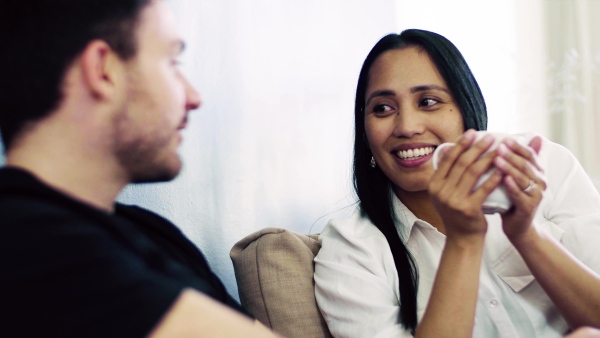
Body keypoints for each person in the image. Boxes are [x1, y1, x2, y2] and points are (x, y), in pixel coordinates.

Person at [0, 1, 279, 337]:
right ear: (104, 70)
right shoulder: (27, 244)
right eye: (172, 62)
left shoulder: (153, 233)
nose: (193, 97)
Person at [314, 29, 600, 338]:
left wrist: (526, 234)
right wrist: (463, 240)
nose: (407, 127)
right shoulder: (350, 250)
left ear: (466, 109)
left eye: (428, 101)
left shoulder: (541, 167)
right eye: (382, 108)